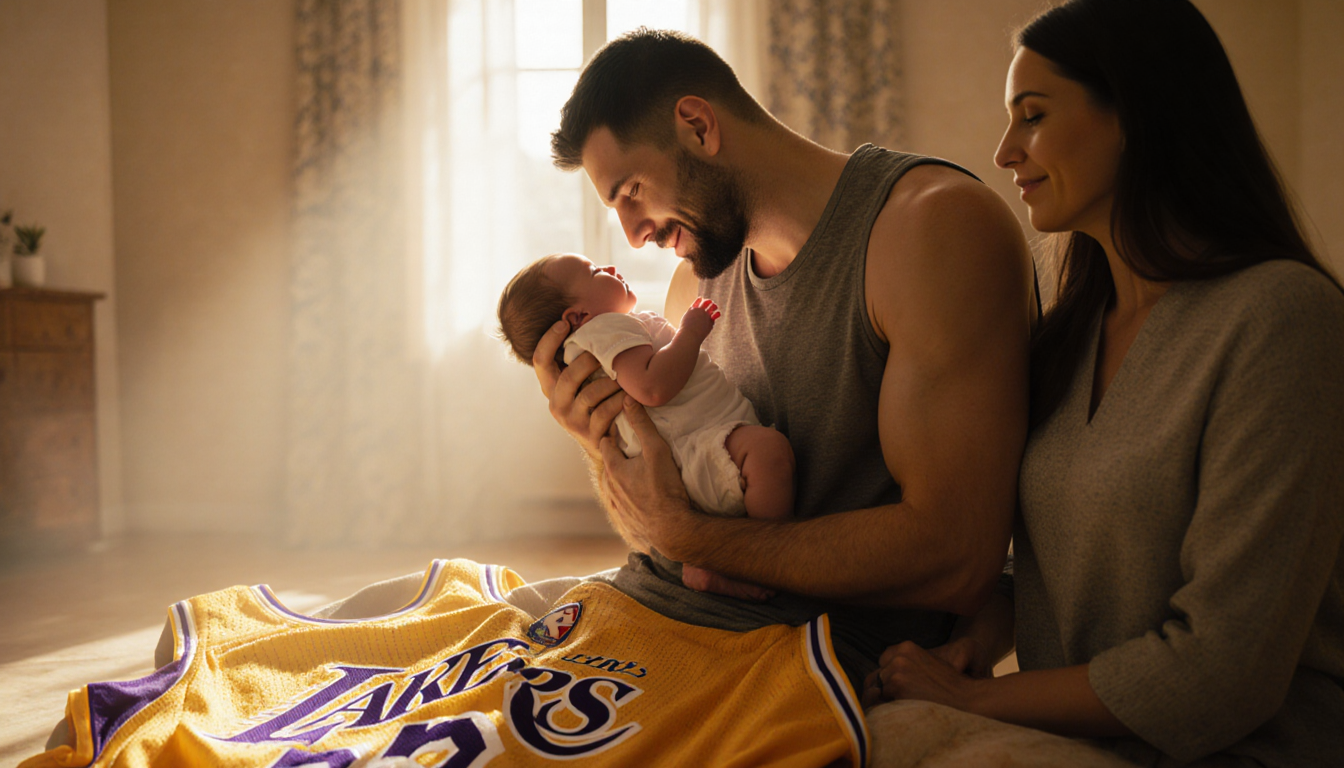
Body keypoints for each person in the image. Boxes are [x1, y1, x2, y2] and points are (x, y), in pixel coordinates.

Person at [868, 1, 1344, 765]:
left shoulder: (1283, 319)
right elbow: (1064, 556)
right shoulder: (1070, 336)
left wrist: (975, 701)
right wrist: (982, 633)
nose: (1003, 152)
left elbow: (1224, 669)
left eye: (1032, 115)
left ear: (1136, 114)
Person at [531, 27, 1036, 685]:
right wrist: (600, 438)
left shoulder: (932, 230)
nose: (633, 235)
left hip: (807, 661)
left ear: (697, 127)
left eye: (631, 192)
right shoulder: (695, 284)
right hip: (657, 615)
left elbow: (956, 558)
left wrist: (691, 540)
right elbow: (666, 525)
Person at [497, 252, 795, 600]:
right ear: (577, 316)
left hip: (690, 454)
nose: (608, 268)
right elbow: (652, 386)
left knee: (763, 456)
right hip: (694, 449)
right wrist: (691, 330)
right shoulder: (604, 330)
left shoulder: (607, 337)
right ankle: (761, 569)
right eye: (594, 272)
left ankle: (720, 567)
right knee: (768, 454)